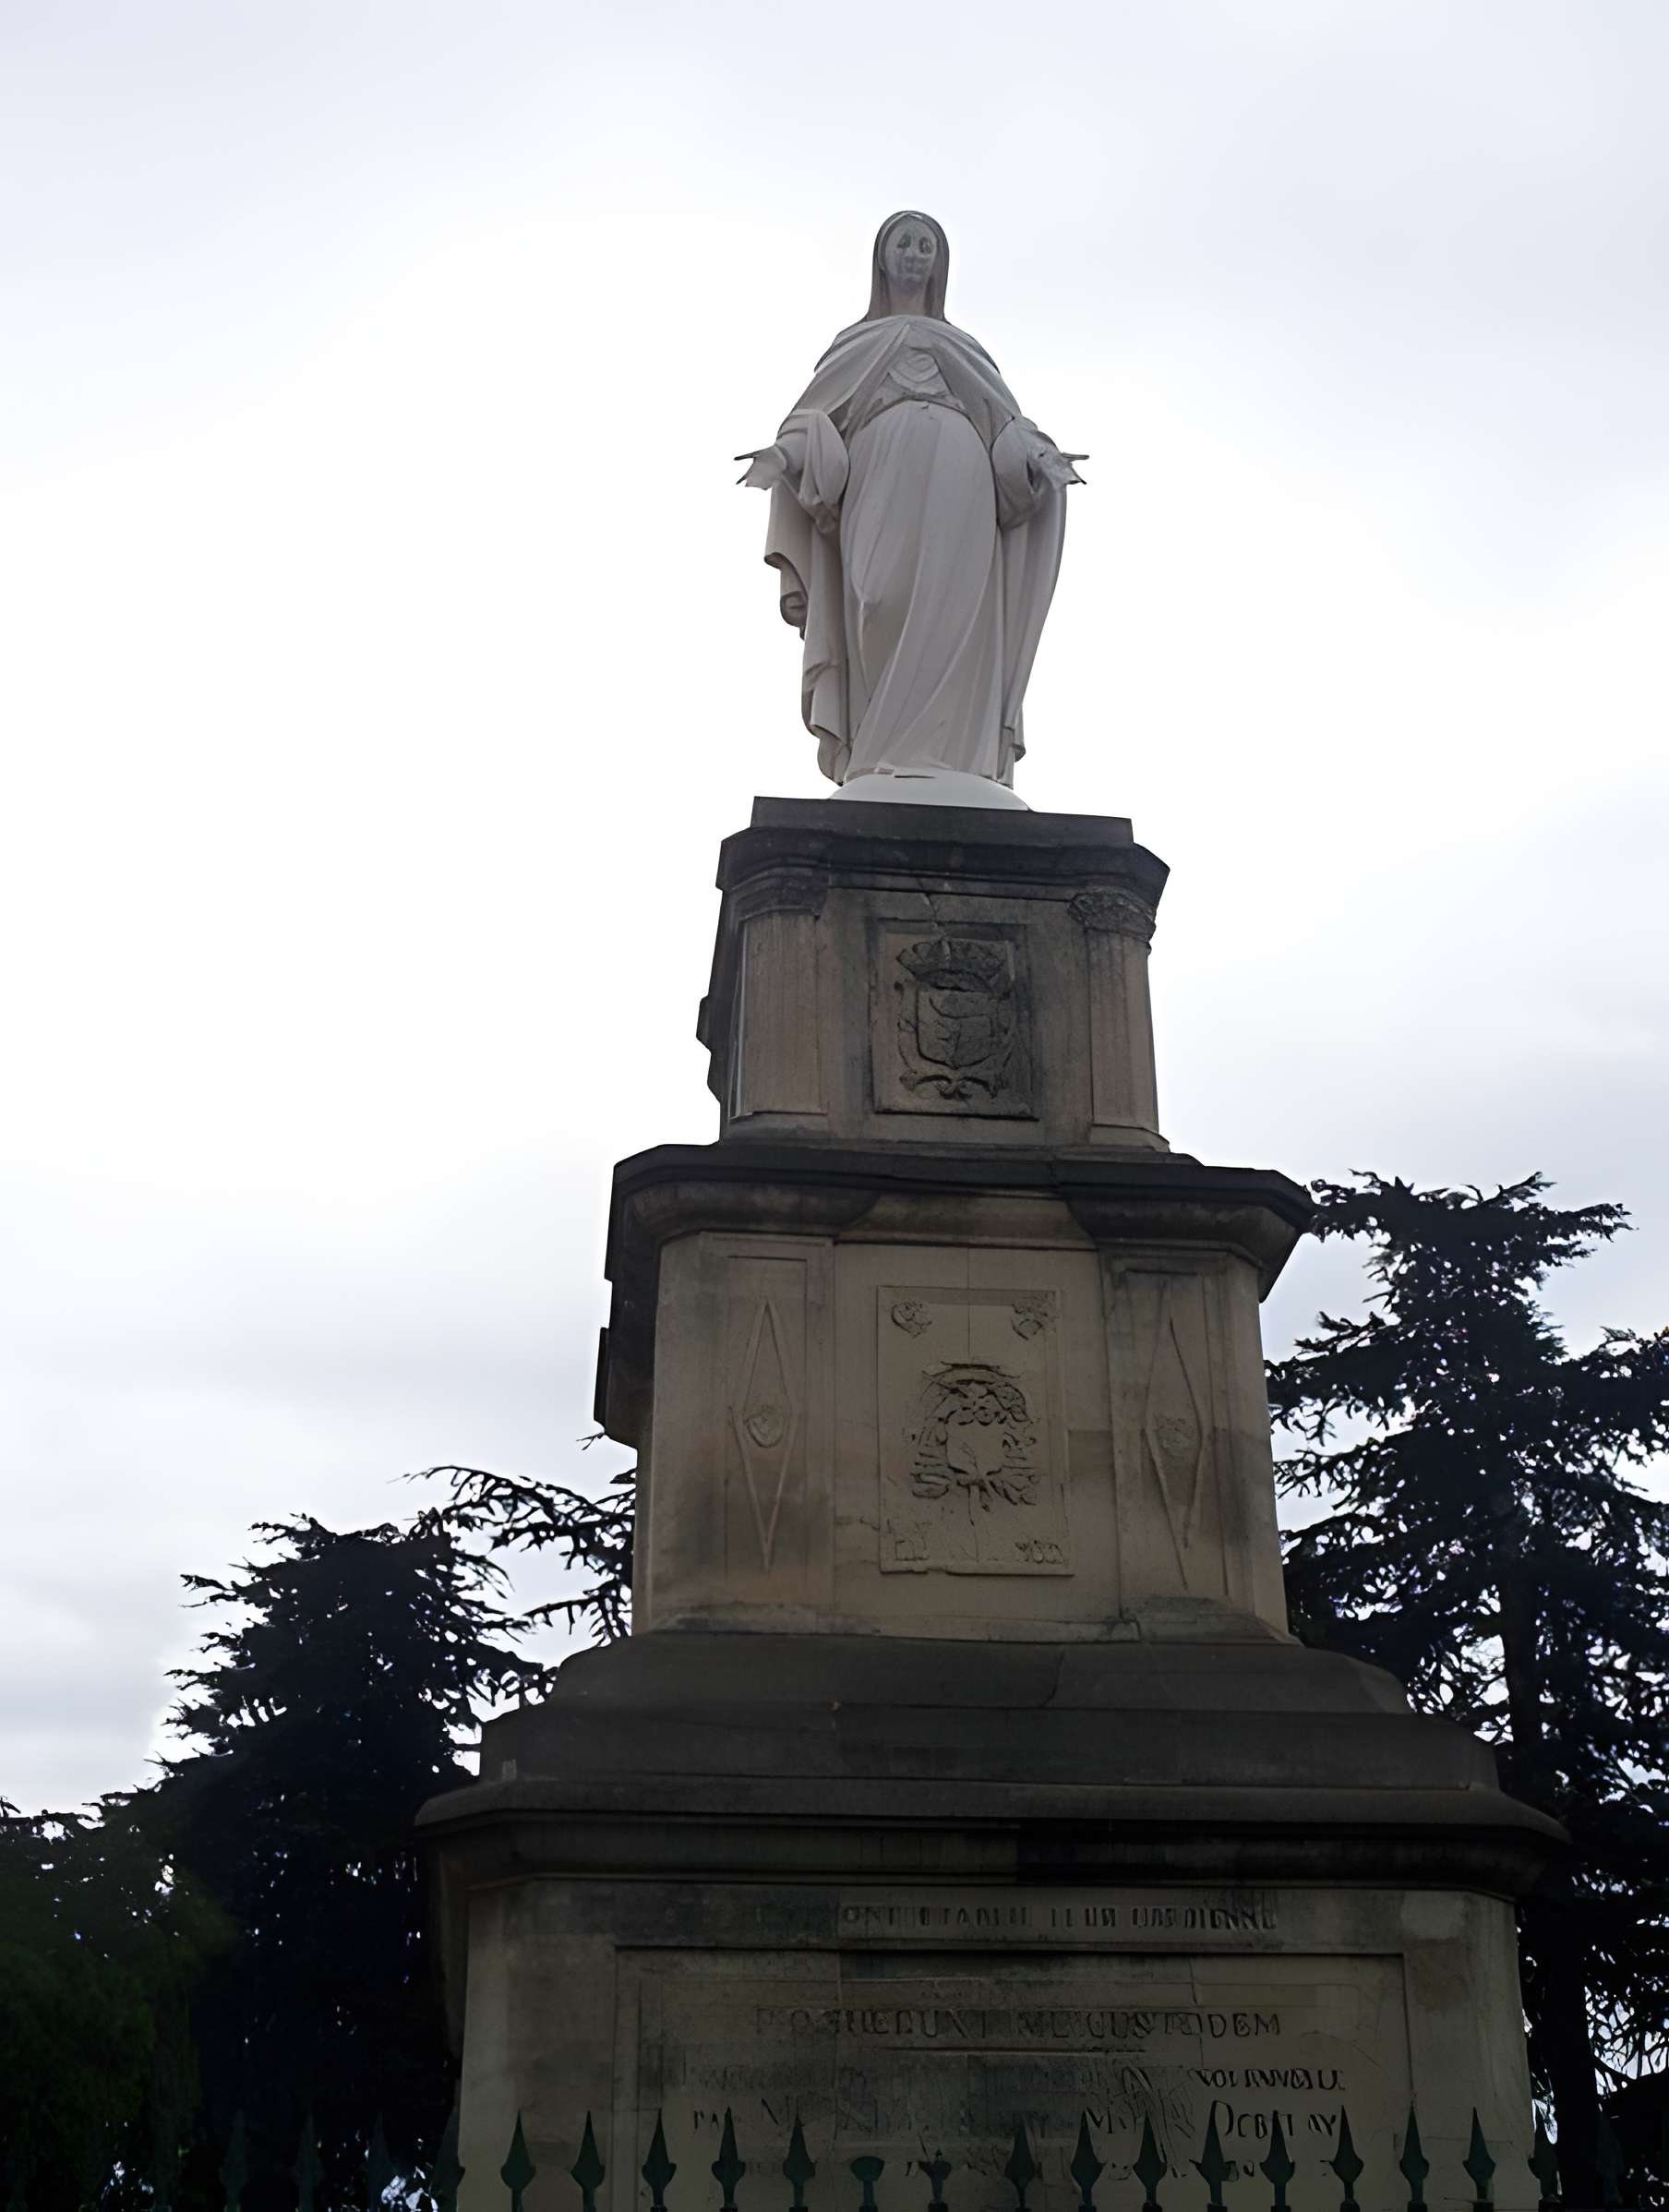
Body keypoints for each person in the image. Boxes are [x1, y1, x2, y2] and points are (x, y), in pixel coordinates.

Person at [739, 211, 1083, 803]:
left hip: (961, 480)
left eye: (927, 245)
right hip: (879, 476)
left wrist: (1036, 456)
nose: (915, 254)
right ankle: (879, 751)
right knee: (878, 597)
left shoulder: (964, 349)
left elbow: (1004, 427)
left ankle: (958, 759)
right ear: (882, 257)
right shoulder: (854, 345)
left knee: (958, 609)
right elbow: (820, 421)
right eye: (905, 243)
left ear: (940, 263)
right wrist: (786, 453)